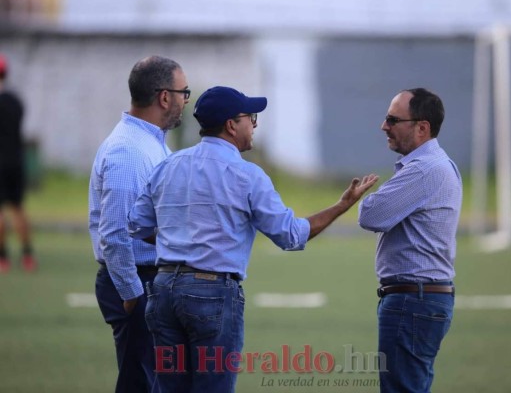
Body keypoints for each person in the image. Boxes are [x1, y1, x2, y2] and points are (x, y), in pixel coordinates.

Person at [127, 86, 379, 393]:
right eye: (251, 117)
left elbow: (138, 226)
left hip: (163, 290)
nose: (255, 124)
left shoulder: (168, 165)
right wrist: (342, 206)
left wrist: (177, 241)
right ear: (232, 125)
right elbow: (291, 235)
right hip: (212, 292)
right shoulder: (248, 175)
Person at [88, 55, 190, 393]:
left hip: (146, 281)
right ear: (164, 97)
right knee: (140, 385)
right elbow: (115, 232)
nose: (185, 100)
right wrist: (132, 294)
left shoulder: (147, 141)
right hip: (136, 283)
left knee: (151, 382)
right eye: (183, 92)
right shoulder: (130, 151)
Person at [358, 88, 462, 393]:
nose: (384, 126)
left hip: (412, 299)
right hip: (422, 297)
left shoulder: (424, 170)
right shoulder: (438, 165)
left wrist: (363, 199)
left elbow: (372, 215)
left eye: (393, 119)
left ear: (422, 127)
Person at [0, 53, 37, 273]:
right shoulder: (16, 101)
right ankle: (27, 255)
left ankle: (3, 257)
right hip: (17, 160)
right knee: (19, 208)